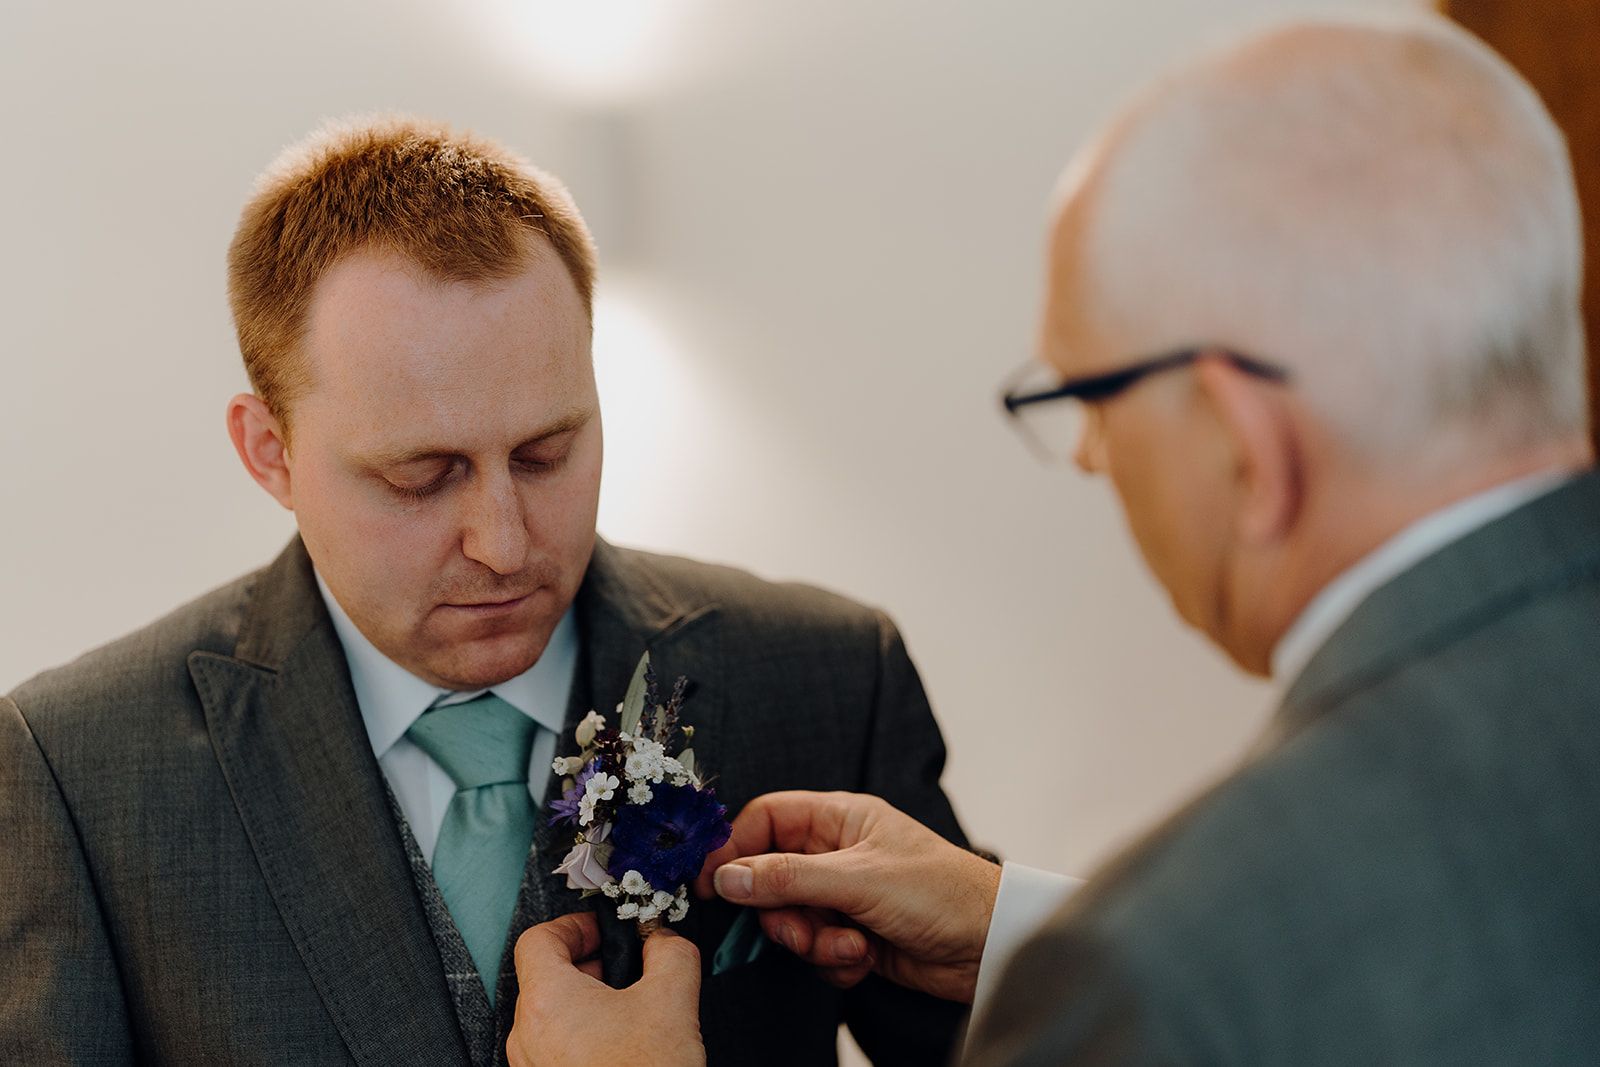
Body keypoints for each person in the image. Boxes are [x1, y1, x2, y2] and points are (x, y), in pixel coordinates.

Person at [514, 12, 1600, 1065]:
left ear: (1242, 441)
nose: (1087, 456)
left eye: (1089, 397)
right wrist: (1013, 925)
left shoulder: (1172, 976)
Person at [0, 116, 971, 1066]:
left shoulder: (828, 679)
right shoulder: (77, 771)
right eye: (420, 476)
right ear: (270, 451)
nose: (504, 545)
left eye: (547, 453)